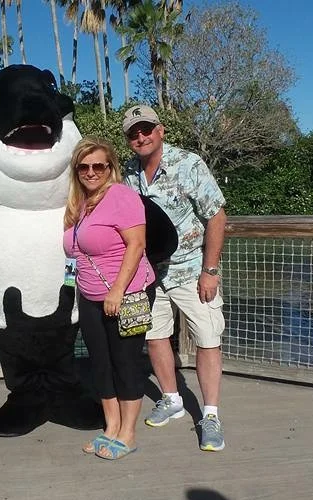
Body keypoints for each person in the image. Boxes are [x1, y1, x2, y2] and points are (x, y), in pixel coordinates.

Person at [121, 105, 228, 452]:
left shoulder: (188, 164)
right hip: (149, 274)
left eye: (146, 129)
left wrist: (209, 271)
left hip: (191, 270)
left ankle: (210, 415)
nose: (141, 136)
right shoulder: (127, 174)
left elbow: (216, 216)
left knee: (207, 338)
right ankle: (172, 398)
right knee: (155, 337)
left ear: (160, 130)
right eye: (134, 133)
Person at [63, 138, 155, 460]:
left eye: (98, 165)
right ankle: (110, 427)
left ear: (110, 167)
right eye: (84, 167)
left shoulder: (121, 196)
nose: (91, 172)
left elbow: (137, 244)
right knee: (100, 363)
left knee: (125, 361)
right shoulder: (79, 203)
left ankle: (127, 434)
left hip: (128, 293)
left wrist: (117, 290)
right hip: (89, 295)